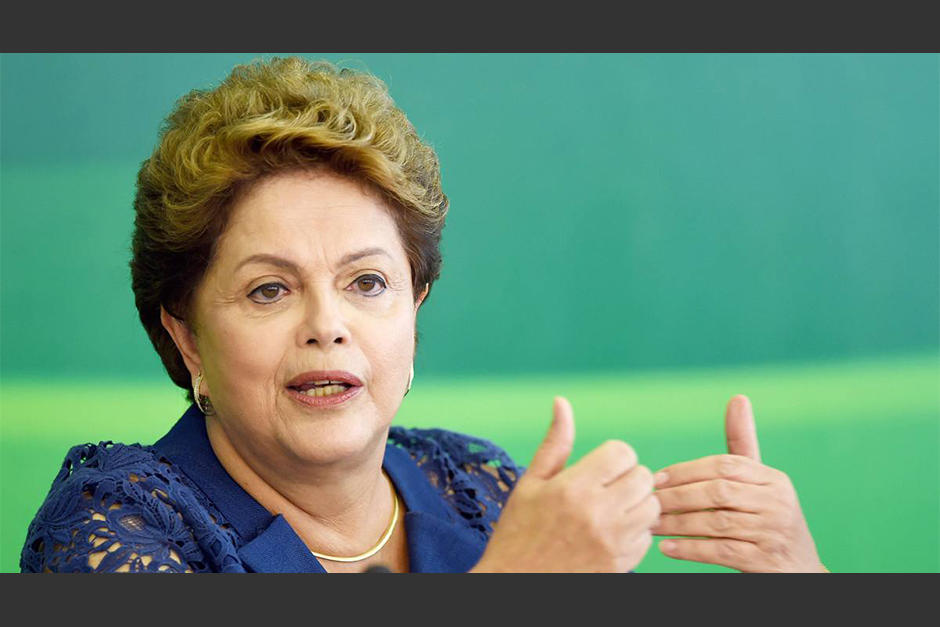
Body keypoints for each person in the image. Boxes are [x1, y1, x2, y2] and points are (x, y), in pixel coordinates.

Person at [20, 57, 825, 573]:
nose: (326, 324)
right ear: (186, 336)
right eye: (270, 289)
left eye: (367, 283)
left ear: (415, 310)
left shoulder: (479, 486)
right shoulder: (109, 528)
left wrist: (797, 577)